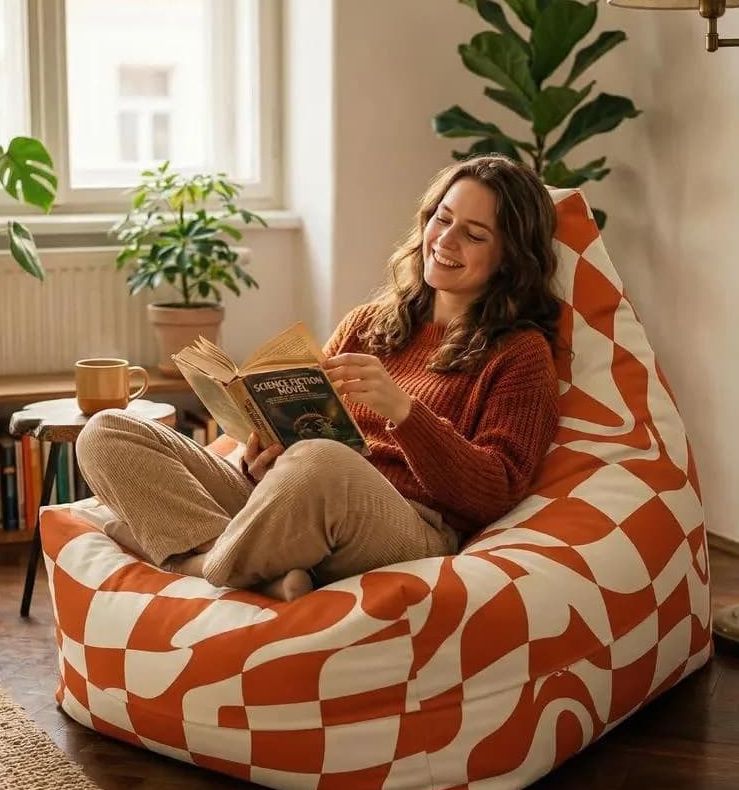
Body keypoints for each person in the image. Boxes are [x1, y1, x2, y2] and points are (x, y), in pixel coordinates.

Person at [75, 154, 561, 602]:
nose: (446, 241)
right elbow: (300, 450)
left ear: (511, 258)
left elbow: (496, 491)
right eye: (443, 218)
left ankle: (192, 563)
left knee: (321, 462)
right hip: (292, 499)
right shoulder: (368, 323)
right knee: (107, 431)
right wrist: (262, 458)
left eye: (474, 235)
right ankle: (248, 568)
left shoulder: (520, 353)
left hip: (407, 524)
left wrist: (407, 414)